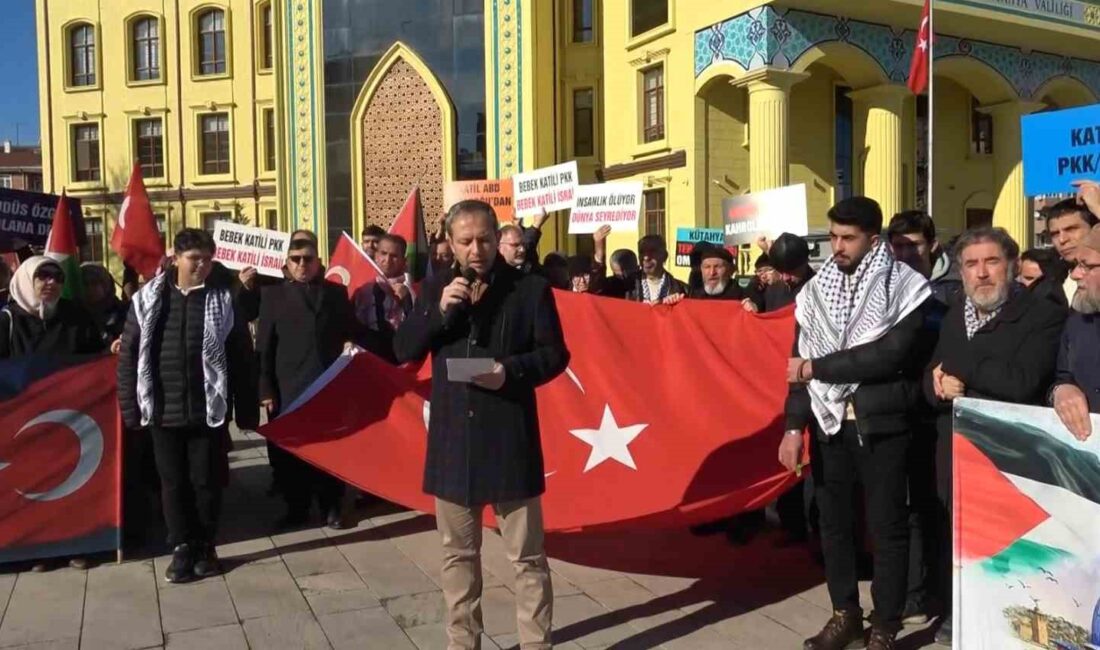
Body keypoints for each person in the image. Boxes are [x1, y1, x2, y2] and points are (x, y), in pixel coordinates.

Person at [394, 200, 569, 650]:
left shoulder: (530, 289)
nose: (477, 249)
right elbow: (403, 348)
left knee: (528, 557)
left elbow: (554, 355)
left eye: (485, 239)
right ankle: (463, 641)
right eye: (466, 241)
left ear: (498, 237)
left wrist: (509, 371)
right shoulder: (435, 288)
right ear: (450, 244)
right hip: (455, 442)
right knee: (458, 556)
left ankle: (535, 642)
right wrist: (438, 312)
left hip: (510, 436)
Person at [781, 197, 932, 650]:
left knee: (887, 526)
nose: (838, 247)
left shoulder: (905, 286)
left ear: (873, 238)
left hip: (881, 423)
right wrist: (793, 427)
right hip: (829, 426)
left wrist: (816, 369)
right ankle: (844, 613)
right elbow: (795, 367)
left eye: (848, 238)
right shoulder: (813, 292)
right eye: (832, 237)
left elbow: (887, 356)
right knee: (834, 525)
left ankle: (885, 622)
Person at [923, 227, 1066, 644]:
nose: (981, 273)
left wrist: (959, 372)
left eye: (991, 262)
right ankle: (962, 613)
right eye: (971, 264)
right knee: (961, 545)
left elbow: (1022, 382)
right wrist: (936, 387)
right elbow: (929, 377)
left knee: (1011, 555)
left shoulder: (1042, 314)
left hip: (1009, 462)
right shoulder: (954, 315)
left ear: (1012, 266)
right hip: (956, 456)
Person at [117, 229, 259, 584]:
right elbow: (130, 358)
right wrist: (130, 408)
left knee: (206, 482)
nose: (201, 265)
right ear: (175, 258)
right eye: (194, 258)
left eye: (207, 259)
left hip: (207, 410)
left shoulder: (223, 300)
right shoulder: (147, 299)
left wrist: (246, 410)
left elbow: (241, 357)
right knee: (172, 483)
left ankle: (206, 546)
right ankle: (181, 546)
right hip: (163, 409)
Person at [258, 235, 356, 530]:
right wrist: (265, 389)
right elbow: (264, 346)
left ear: (319, 263)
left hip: (328, 385)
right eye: (296, 259)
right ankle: (296, 509)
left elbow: (350, 331)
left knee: (331, 450)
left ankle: (332, 507)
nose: (302, 264)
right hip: (288, 388)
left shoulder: (336, 293)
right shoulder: (272, 296)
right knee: (291, 455)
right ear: (286, 264)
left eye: (308, 259)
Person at [885, 211, 950, 626]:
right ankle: (912, 593)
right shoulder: (884, 289)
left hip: (941, 416)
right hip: (898, 412)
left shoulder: (952, 292)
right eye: (900, 246)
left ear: (932, 246)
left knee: (937, 508)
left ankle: (939, 593)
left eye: (914, 245)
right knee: (903, 508)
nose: (906, 253)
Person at [0, 257, 104, 360]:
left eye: (58, 277)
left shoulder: (77, 315)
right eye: (44, 275)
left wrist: (112, 350)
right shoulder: (7, 321)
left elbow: (96, 360)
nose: (52, 282)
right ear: (26, 278)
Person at [1051, 223, 1100, 441]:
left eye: (1087, 266)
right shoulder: (1078, 320)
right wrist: (1062, 390)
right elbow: (1062, 375)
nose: (1076, 275)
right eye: (1077, 264)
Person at [353, 234, 414, 363]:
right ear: (376, 256)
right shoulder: (364, 288)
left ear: (404, 260)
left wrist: (407, 301)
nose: (387, 260)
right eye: (383, 253)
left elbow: (420, 325)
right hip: (369, 354)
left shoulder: (414, 289)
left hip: (400, 354)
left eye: (394, 256)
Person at [1044, 197, 1099, 304]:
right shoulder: (1050, 279)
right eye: (1055, 234)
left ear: (1094, 228)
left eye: (1071, 229)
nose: (1062, 240)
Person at [683, 245, 760, 311]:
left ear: (731, 270)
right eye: (707, 267)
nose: (712, 272)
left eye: (718, 267)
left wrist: (754, 311)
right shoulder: (693, 298)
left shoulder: (745, 298)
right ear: (701, 270)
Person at [626, 235, 688, 304]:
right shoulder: (625, 287)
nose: (646, 258)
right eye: (642, 252)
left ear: (665, 256)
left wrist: (676, 305)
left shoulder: (683, 290)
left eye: (652, 251)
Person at [763, 232, 814, 312]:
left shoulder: (819, 290)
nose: (785, 278)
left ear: (805, 262)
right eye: (780, 271)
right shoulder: (773, 291)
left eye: (791, 271)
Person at [81, 263, 129, 345]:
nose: (90, 289)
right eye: (85, 284)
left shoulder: (124, 312)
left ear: (106, 284)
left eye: (94, 283)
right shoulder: (76, 315)